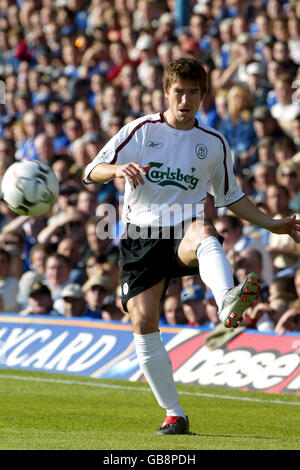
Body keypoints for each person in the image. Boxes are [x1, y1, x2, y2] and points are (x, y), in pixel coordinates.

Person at [84, 58, 300, 435]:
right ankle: (174, 412)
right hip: (139, 239)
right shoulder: (141, 130)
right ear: (166, 92)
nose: (185, 100)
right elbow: (92, 170)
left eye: (193, 93)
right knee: (143, 323)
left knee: (203, 229)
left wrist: (272, 223)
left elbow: (232, 196)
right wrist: (118, 169)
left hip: (181, 231)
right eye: (178, 92)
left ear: (203, 95)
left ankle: (227, 299)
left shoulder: (212, 143)